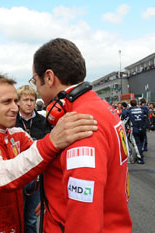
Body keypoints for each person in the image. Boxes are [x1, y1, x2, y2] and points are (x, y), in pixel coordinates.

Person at [0, 74, 98, 233]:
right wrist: (51, 142)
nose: (15, 108)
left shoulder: (17, 133)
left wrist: (50, 195)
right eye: (7, 102)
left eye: (15, 101)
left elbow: (48, 161)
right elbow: (0, 177)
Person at [31, 38, 132, 233]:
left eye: (35, 81)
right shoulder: (102, 109)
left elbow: (85, 211)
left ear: (49, 77)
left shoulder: (79, 121)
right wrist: (54, 199)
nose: (37, 89)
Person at [15, 85, 50, 233]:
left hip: (37, 178)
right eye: (25, 100)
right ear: (18, 102)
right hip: (17, 176)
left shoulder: (44, 121)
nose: (29, 103)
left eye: (32, 99)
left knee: (31, 220)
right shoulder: (11, 120)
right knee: (16, 218)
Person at [122, 99, 147, 164]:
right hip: (143, 128)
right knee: (141, 142)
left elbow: (124, 118)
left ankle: (140, 158)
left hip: (135, 128)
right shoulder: (142, 109)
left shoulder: (128, 111)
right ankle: (140, 153)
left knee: (136, 143)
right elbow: (145, 117)